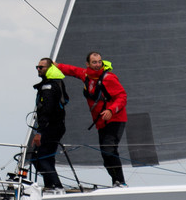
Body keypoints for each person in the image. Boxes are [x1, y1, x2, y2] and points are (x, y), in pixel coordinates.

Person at [56, 51, 127, 186]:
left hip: (115, 119)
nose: (97, 65)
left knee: (109, 150)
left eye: (99, 62)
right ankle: (116, 182)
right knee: (106, 155)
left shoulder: (109, 78)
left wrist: (111, 110)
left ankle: (120, 182)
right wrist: (56, 65)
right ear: (88, 64)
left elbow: (122, 97)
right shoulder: (86, 75)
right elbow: (73, 70)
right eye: (94, 62)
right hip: (101, 122)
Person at [29, 57, 67, 190]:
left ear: (49, 68)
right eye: (37, 67)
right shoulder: (57, 83)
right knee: (47, 157)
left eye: (41, 67)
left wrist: (39, 132)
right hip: (57, 126)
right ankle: (50, 185)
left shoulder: (48, 87)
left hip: (50, 127)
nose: (38, 70)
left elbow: (46, 110)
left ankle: (56, 186)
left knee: (38, 157)